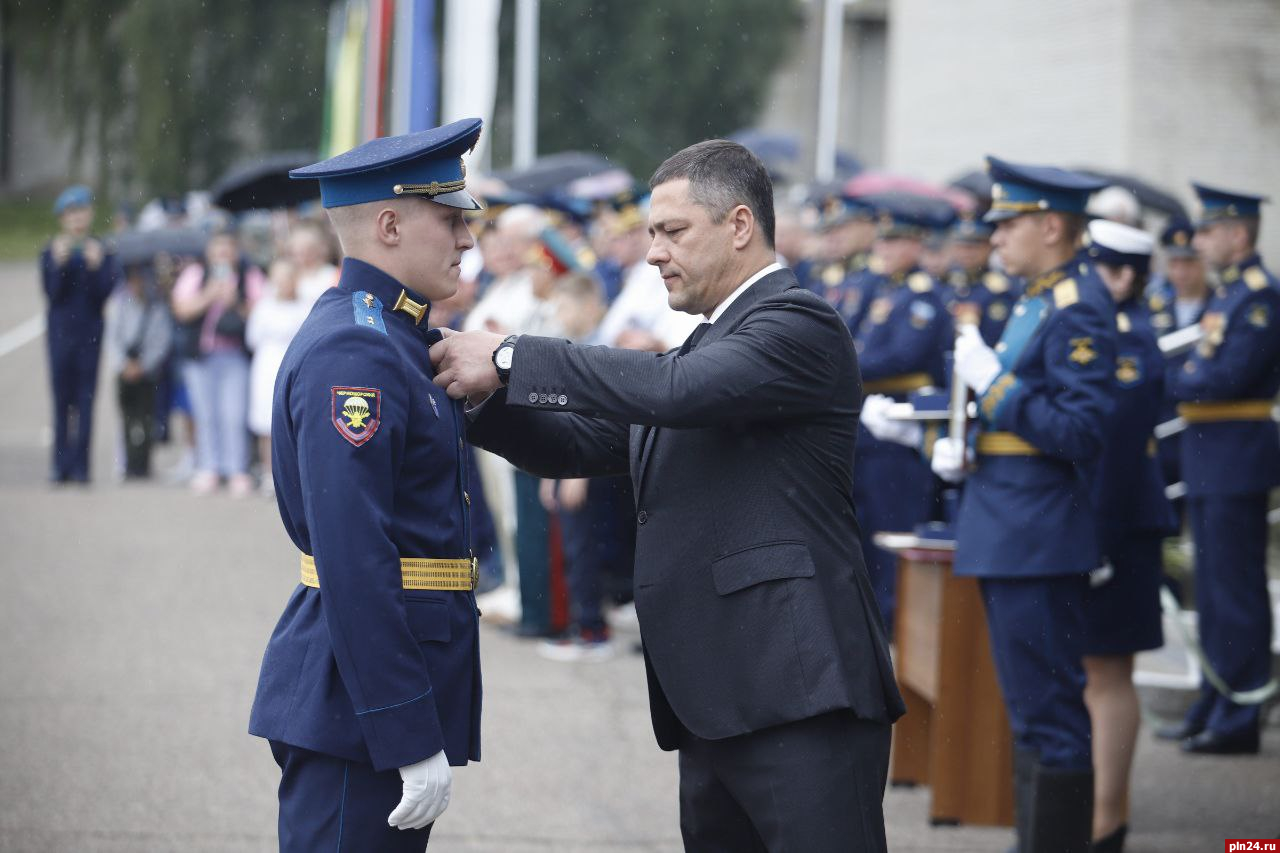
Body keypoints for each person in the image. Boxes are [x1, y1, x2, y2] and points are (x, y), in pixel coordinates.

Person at [433, 139, 904, 852]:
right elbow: (578, 443)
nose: (653, 252)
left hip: (798, 698)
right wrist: (471, 400)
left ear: (740, 226)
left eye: (673, 231)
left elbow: (676, 391)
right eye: (652, 233)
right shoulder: (711, 343)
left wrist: (507, 355)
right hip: (718, 700)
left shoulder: (797, 323)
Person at [248, 118, 486, 850]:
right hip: (361, 706)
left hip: (372, 694)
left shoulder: (394, 334)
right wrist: (404, 725)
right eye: (450, 219)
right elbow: (354, 554)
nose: (468, 239)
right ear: (389, 224)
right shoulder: (359, 347)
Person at [932, 156, 1114, 853]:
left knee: (1050, 715)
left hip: (1037, 531)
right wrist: (965, 441)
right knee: (1031, 712)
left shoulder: (1077, 305)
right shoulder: (1039, 296)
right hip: (1011, 521)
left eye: (1008, 224)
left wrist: (993, 387)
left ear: (1051, 224)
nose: (995, 237)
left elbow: (1079, 431)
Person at [1155, 182, 1280, 755]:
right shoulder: (1228, 294)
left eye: (1207, 232)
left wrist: (1176, 380)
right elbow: (1203, 369)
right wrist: (1188, 380)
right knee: (1210, 588)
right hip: (1212, 453)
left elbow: (1221, 377)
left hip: (1236, 454)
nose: (1200, 242)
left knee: (1235, 591)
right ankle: (1215, 695)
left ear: (1236, 233)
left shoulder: (1258, 296)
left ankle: (1240, 712)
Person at [1081, 220, 1178, 853]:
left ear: (1123, 277)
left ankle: (1106, 822)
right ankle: (1094, 815)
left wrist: (1096, 542)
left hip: (1116, 527)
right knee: (1093, 674)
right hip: (1100, 522)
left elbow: (1114, 459)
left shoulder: (1129, 344)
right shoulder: (1106, 333)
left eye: (1096, 270)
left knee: (1110, 675)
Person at [850, 197, 951, 632]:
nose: (885, 250)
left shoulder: (922, 297)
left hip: (900, 427)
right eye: (883, 242)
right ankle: (871, 616)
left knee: (893, 521)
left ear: (915, 244)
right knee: (867, 524)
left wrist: (847, 360)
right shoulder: (885, 291)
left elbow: (899, 358)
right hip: (868, 422)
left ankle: (894, 621)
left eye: (896, 242)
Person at [170, 229, 265, 496]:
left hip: (234, 355)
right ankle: (208, 467)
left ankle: (236, 469)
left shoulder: (249, 275)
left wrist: (235, 302)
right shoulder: (196, 274)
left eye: (228, 246)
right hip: (200, 356)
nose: (223, 252)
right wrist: (209, 296)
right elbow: (181, 309)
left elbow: (263, 309)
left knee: (234, 414)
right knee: (205, 413)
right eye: (217, 246)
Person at [40, 185, 120, 484]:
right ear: (62, 218)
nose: (77, 219)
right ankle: (59, 467)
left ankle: (81, 468)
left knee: (86, 402)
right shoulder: (51, 251)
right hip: (61, 336)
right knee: (61, 402)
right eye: (70, 213)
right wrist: (57, 266)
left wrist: (97, 266)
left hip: (89, 337)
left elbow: (104, 294)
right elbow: (51, 294)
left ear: (90, 214)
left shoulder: (101, 250)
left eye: (81, 211)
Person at [245, 258, 312, 494]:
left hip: (293, 365)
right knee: (265, 420)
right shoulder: (264, 307)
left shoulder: (306, 307)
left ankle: (292, 475)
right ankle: (267, 472)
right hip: (267, 365)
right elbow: (252, 337)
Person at [106, 260, 173, 479]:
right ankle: (128, 463)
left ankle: (142, 463)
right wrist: (123, 364)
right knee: (127, 418)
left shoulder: (157, 307)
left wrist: (144, 365)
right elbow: (112, 338)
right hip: (125, 366)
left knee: (146, 419)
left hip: (146, 371)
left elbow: (161, 341)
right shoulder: (120, 304)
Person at [941, 214, 1019, 346]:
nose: (966, 253)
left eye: (973, 247)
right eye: (961, 246)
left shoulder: (1000, 291)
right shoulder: (945, 281)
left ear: (989, 247)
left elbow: (994, 339)